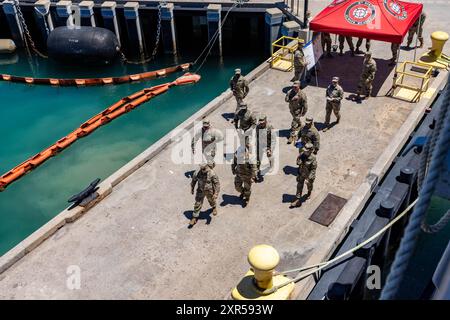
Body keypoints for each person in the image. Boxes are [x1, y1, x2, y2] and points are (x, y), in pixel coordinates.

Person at [290, 143, 317, 208]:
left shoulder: (313, 158)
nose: (305, 152)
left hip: (308, 175)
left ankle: (309, 192)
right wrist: (298, 161)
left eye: (306, 151)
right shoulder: (302, 154)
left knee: (309, 185)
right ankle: (297, 199)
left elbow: (313, 169)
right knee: (299, 186)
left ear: (311, 150)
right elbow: (298, 161)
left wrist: (309, 178)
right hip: (301, 173)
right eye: (304, 150)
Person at [255, 113, 275, 182]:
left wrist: (271, 149)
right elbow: (255, 135)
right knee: (258, 157)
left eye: (262, 123)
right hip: (259, 144)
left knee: (269, 155)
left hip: (268, 145)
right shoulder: (257, 126)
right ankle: (257, 169)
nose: (261, 124)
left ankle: (271, 165)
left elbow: (273, 139)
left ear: (266, 121)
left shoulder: (270, 127)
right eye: (260, 123)